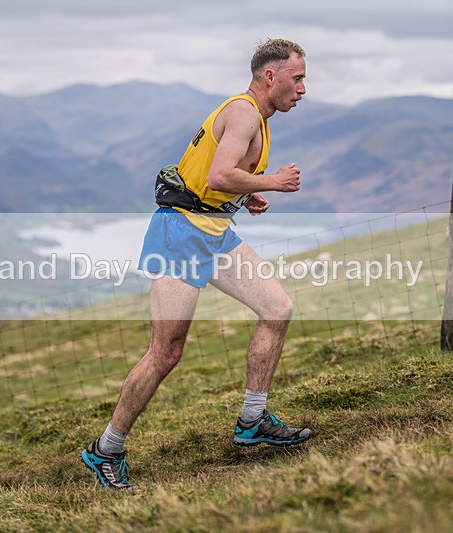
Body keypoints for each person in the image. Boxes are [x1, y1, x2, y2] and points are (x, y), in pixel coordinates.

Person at [82, 38, 310, 491]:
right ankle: (106, 449)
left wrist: (248, 194)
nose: (303, 88)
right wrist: (274, 182)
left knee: (277, 308)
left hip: (214, 231)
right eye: (297, 78)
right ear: (271, 77)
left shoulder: (257, 118)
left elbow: (223, 178)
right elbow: (218, 175)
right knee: (166, 353)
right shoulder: (246, 112)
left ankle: (253, 417)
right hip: (181, 234)